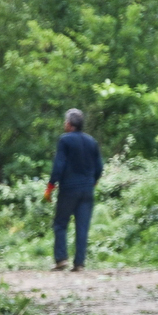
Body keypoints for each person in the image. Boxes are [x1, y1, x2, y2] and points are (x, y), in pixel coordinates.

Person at [43, 108, 103, 271]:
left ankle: (61, 259)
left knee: (60, 224)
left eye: (65, 121)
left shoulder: (65, 140)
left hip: (69, 189)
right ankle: (79, 263)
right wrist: (93, 181)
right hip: (87, 190)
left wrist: (50, 186)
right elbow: (99, 167)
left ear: (69, 124)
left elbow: (59, 165)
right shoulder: (92, 141)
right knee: (82, 227)